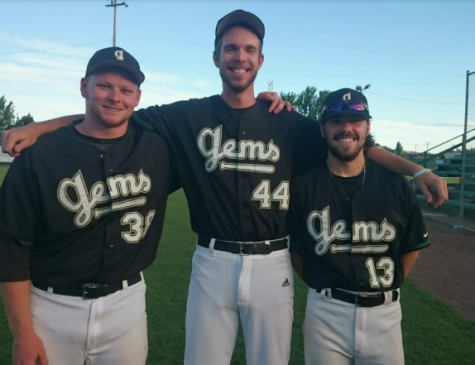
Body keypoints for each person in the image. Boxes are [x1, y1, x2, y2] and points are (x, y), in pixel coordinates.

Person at [1, 10, 447, 365]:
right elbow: (109, 116)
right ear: (215, 57)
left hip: (273, 261)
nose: (240, 56)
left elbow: (352, 141)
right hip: (212, 260)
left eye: (249, 49)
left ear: (261, 60)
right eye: (230, 48)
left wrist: (415, 171)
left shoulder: (285, 121)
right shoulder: (186, 116)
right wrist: (43, 126)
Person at [0, 47, 173, 365]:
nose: (115, 97)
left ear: (137, 97)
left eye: (125, 90)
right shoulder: (39, 155)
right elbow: (10, 246)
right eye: (104, 85)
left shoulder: (157, 148)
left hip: (127, 306)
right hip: (51, 308)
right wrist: (23, 332)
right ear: (84, 87)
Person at [289, 88, 430, 365]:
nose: (346, 128)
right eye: (336, 121)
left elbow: (411, 247)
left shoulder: (396, 185)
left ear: (367, 127)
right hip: (326, 313)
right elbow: (296, 252)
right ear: (322, 129)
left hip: (385, 316)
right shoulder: (303, 187)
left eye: (355, 121)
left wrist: (386, 282)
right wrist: (324, 285)